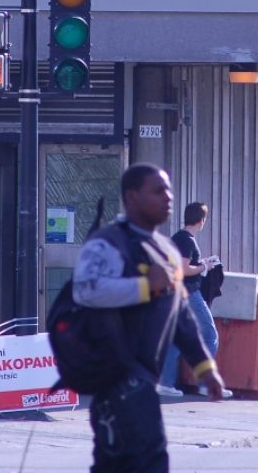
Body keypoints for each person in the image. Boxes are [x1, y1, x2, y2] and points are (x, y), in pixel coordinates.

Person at [73, 163, 226, 472]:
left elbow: (180, 315)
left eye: (168, 189)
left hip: (144, 381)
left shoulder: (166, 251)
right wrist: (144, 286)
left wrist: (205, 368)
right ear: (132, 196)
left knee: (152, 458)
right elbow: (85, 291)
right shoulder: (107, 242)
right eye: (158, 190)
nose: (168, 197)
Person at [158, 202, 230, 398]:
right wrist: (204, 266)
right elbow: (183, 269)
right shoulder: (187, 241)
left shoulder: (177, 238)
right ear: (202, 220)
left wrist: (200, 264)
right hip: (189, 293)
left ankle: (165, 382)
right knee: (210, 334)